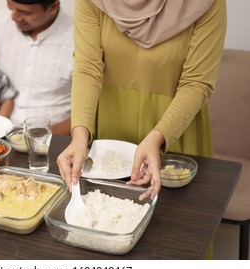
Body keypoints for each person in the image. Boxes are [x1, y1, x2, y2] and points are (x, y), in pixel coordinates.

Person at [57, 0, 227, 200]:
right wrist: (79, 136)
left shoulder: (207, 3)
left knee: (176, 219)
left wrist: (158, 138)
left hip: (173, 130)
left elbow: (196, 82)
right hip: (109, 128)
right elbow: (87, 69)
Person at [0, 0, 74, 134]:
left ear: (54, 7)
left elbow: (91, 114)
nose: (14, 16)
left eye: (25, 12)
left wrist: (40, 136)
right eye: (10, 6)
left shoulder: (78, 37)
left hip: (53, 140)